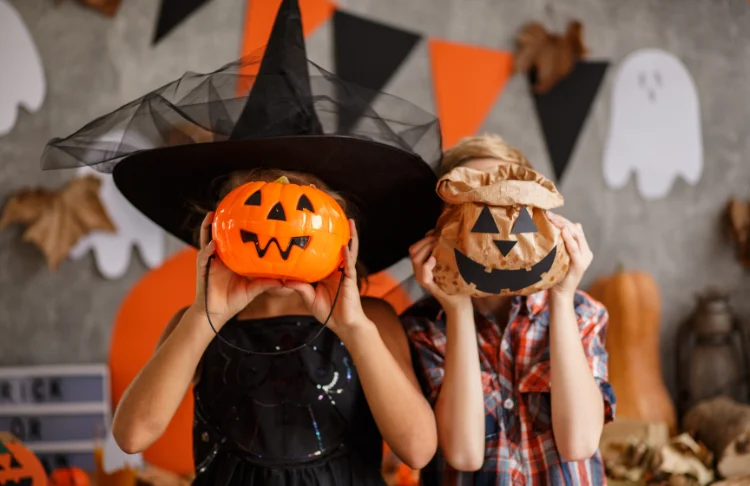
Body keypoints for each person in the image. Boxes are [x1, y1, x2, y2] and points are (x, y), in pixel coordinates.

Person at [39, 0, 445, 483]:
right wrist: (202, 320)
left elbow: (418, 449)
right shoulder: (198, 325)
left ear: (341, 232)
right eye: (257, 206)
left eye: (302, 210)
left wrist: (353, 327)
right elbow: (132, 436)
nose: (280, 224)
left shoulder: (370, 321)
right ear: (218, 227)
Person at [403, 134, 616, 485]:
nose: (501, 237)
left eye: (514, 213)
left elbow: (579, 442)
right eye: (479, 215)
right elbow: (464, 452)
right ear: (441, 228)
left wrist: (561, 297)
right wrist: (456, 310)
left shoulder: (583, 312)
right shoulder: (423, 326)